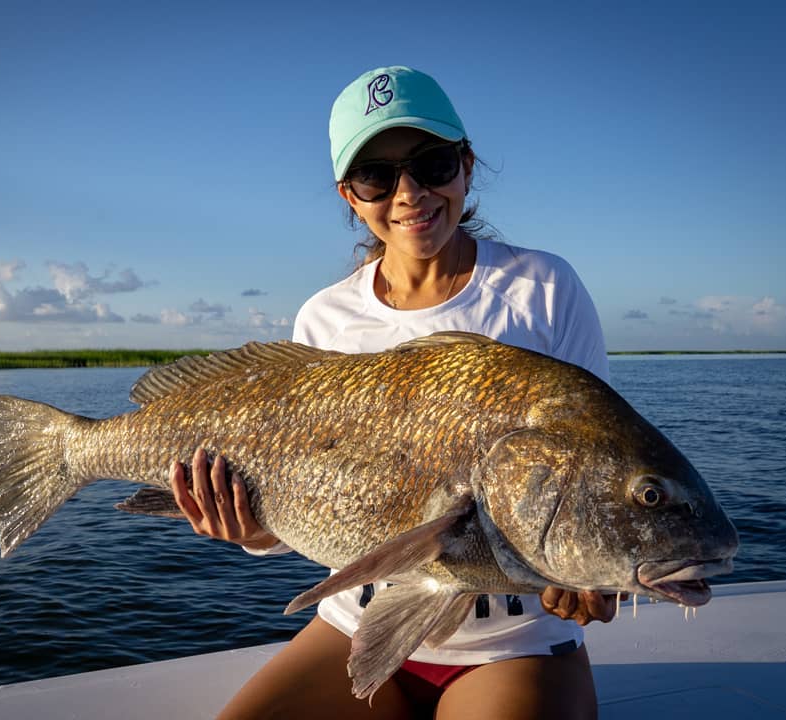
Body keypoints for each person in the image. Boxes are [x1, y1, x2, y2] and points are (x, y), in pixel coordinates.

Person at [169, 66, 616, 719]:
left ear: (466, 166)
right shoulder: (324, 319)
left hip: (513, 644)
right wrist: (249, 528)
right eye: (377, 177)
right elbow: (303, 502)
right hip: (355, 624)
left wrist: (594, 573)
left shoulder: (543, 289)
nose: (410, 193)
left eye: (432, 163)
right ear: (350, 195)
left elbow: (598, 466)